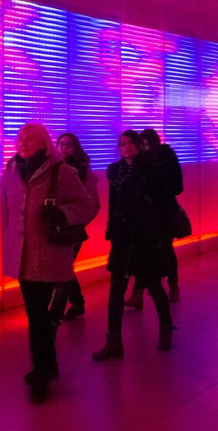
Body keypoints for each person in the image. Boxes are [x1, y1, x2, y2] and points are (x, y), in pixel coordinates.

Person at [3, 123, 96, 403]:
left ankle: (42, 371)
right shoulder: (12, 171)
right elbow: (7, 212)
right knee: (37, 314)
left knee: (37, 314)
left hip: (47, 254)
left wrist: (63, 213)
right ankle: (48, 365)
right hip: (21, 254)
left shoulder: (62, 171)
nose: (23, 142)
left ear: (43, 143)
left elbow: (87, 205)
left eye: (30, 138)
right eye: (20, 138)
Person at [93, 130, 176, 362]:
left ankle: (166, 329)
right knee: (116, 290)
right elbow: (113, 204)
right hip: (122, 236)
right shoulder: (115, 171)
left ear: (140, 145)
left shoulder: (152, 171)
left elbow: (167, 205)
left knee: (153, 286)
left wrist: (160, 235)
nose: (126, 146)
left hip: (146, 237)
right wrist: (111, 229)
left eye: (130, 143)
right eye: (122, 143)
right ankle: (113, 341)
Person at [124, 128, 184, 307]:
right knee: (147, 253)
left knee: (164, 249)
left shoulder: (165, 157)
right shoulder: (141, 161)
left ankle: (168, 287)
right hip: (145, 214)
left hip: (163, 213)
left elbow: (177, 186)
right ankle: (140, 293)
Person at [48, 132, 99, 324]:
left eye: (69, 145)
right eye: (61, 144)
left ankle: (54, 317)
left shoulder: (82, 171)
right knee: (64, 267)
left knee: (62, 270)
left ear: (75, 147)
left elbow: (92, 203)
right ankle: (77, 303)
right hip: (56, 227)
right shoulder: (53, 168)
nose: (64, 148)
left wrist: (77, 220)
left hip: (73, 229)